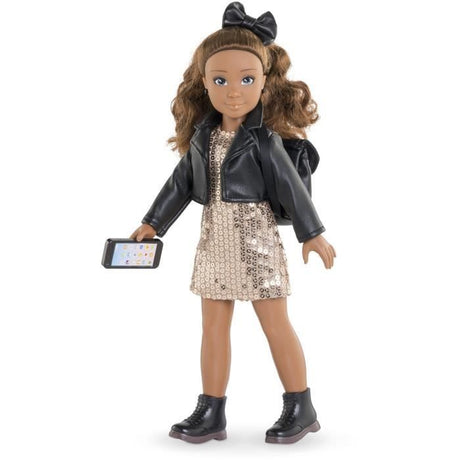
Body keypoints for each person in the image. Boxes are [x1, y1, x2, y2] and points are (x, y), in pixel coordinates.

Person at [130, 2, 336, 444]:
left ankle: (300, 405)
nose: (234, 91)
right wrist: (152, 224)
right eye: (220, 80)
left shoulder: (264, 139)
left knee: (275, 323)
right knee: (213, 327)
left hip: (255, 239)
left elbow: (291, 187)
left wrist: (312, 233)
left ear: (264, 81)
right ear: (204, 83)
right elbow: (180, 183)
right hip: (214, 238)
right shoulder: (203, 137)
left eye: (247, 79)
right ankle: (211, 410)